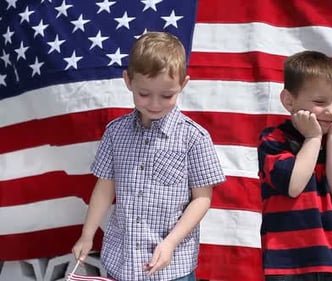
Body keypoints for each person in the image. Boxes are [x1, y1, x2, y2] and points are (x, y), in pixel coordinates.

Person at [72, 31, 226, 281]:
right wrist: (87, 234)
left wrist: (171, 243)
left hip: (171, 266)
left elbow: (202, 199)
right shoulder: (115, 133)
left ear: (183, 85)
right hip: (121, 261)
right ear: (128, 81)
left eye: (167, 95)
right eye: (144, 94)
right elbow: (105, 187)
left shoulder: (194, 137)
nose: (155, 103)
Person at [257, 50, 332, 281]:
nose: (331, 111)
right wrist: (313, 138)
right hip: (287, 259)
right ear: (289, 101)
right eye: (319, 102)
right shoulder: (274, 139)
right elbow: (293, 186)